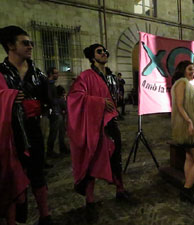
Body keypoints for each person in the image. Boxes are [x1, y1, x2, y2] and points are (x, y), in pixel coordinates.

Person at [67, 43, 129, 216]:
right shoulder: (85, 76)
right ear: (92, 57)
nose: (104, 53)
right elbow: (75, 97)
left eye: (105, 51)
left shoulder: (110, 76)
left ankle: (120, 189)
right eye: (99, 52)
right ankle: (90, 200)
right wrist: (99, 102)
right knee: (92, 157)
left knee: (116, 156)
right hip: (94, 124)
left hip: (110, 122)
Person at [0, 26, 52, 225]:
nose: (30, 46)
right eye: (25, 42)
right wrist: (10, 100)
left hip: (33, 130)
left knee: (38, 172)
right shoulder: (0, 73)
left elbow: (49, 99)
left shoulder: (37, 73)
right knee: (12, 176)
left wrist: (41, 106)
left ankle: (45, 216)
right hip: (9, 133)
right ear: (11, 46)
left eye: (31, 43)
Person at [171, 60, 194, 205]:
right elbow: (179, 106)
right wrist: (190, 121)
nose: (193, 72)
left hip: (192, 126)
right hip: (188, 127)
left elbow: (190, 107)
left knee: (190, 157)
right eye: (190, 69)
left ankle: (189, 187)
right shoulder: (181, 83)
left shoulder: (188, 84)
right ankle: (186, 190)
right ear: (182, 70)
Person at [46, 67, 68, 157]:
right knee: (53, 133)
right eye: (56, 73)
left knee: (61, 131)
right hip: (54, 112)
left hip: (57, 111)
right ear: (51, 74)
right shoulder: (48, 84)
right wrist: (60, 100)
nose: (57, 75)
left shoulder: (52, 84)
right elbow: (50, 99)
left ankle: (62, 148)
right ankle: (50, 151)